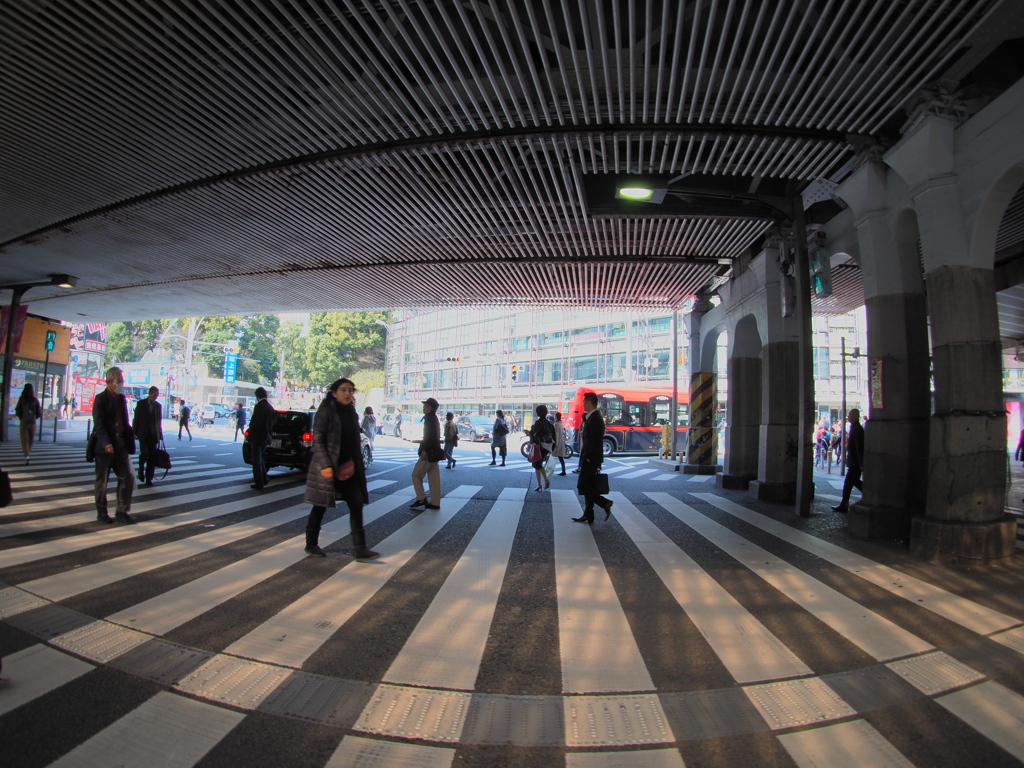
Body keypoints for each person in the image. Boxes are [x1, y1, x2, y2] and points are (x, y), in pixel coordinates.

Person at [302, 378, 379, 560]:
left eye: (350, 390)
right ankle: (311, 544)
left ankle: (360, 548)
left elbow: (354, 440)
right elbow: (318, 440)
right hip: (327, 466)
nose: (347, 393)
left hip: (347, 467)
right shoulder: (325, 412)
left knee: (356, 504)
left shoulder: (351, 412)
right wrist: (326, 465)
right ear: (334, 392)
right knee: (320, 505)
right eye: (343, 390)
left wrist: (355, 461)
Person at [92, 367, 136, 524]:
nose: (121, 384)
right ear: (110, 382)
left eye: (122, 381)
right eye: (119, 381)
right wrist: (106, 442)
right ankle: (101, 512)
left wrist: (130, 433)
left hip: (121, 445)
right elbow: (99, 423)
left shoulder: (121, 399)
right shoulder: (101, 398)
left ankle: (122, 511)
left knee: (127, 478)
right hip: (105, 448)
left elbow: (124, 421)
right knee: (102, 481)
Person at [573, 391, 613, 523]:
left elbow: (596, 441)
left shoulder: (595, 418)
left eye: (584, 401)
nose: (583, 403)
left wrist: (589, 457)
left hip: (591, 458)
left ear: (589, 402)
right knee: (589, 486)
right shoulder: (591, 417)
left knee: (582, 485)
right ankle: (588, 513)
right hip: (590, 457)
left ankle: (604, 503)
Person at [411, 397, 443, 510]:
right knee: (434, 478)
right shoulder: (435, 418)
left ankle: (421, 498)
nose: (423, 407)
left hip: (429, 452)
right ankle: (435, 502)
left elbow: (428, 437)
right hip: (436, 452)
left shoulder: (429, 418)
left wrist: (424, 451)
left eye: (425, 406)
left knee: (416, 474)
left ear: (430, 407)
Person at [832, 408, 865, 513]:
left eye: (850, 415)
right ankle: (844, 503)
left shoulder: (857, 429)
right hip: (854, 462)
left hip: (855, 463)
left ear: (855, 416)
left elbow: (859, 447)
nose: (848, 417)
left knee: (850, 482)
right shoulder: (855, 428)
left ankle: (844, 503)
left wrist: (860, 463)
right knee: (852, 482)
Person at [132, 385, 163, 487]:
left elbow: (159, 421)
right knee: (144, 454)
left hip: (154, 435)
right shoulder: (141, 404)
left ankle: (149, 478)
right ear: (150, 393)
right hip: (143, 434)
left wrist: (160, 434)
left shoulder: (158, 406)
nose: (156, 397)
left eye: (157, 395)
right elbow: (136, 418)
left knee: (152, 457)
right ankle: (141, 469)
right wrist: (134, 432)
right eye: (155, 395)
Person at [248, 387, 274, 490]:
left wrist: (250, 432)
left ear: (257, 396)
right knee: (259, 458)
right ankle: (265, 477)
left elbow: (255, 422)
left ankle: (259, 482)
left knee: (256, 460)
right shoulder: (270, 407)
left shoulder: (259, 407)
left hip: (257, 436)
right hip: (266, 436)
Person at [527, 404, 555, 491]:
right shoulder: (549, 423)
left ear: (538, 413)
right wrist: (552, 448)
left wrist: (528, 433)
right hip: (547, 447)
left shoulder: (537, 423)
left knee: (537, 464)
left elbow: (534, 436)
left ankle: (545, 481)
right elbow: (554, 436)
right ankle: (539, 484)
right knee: (537, 464)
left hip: (539, 447)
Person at [14, 384, 42, 465]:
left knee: (24, 440)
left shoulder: (22, 399)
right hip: (32, 422)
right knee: (31, 439)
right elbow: (39, 412)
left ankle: (26, 456)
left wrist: (21, 417)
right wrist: (34, 417)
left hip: (24, 422)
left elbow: (17, 410)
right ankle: (28, 453)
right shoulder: (35, 400)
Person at [551, 411, 568, 476]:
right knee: (560, 457)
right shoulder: (560, 424)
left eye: (555, 416)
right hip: (561, 442)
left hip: (557, 442)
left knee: (549, 456)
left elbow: (556, 435)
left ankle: (546, 469)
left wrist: (556, 444)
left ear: (556, 417)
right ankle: (563, 470)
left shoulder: (556, 425)